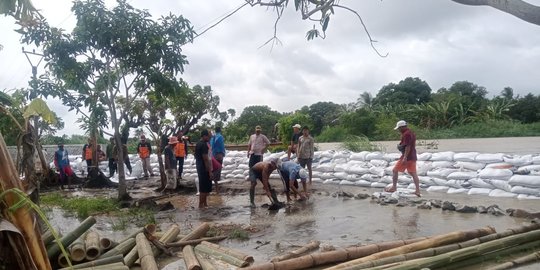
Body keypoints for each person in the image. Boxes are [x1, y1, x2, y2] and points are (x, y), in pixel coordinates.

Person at [385, 120, 421, 197]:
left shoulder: (406, 134)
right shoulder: (410, 132)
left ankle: (394, 187)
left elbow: (408, 146)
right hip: (412, 156)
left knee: (395, 170)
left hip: (407, 156)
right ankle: (417, 191)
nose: (398, 130)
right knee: (413, 173)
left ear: (402, 127)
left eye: (399, 128)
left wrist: (405, 157)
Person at [195, 129, 213, 208]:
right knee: (203, 188)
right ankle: (201, 205)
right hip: (204, 168)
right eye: (209, 137)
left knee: (205, 187)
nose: (209, 138)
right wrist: (209, 171)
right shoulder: (203, 145)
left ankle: (205, 204)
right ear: (205, 136)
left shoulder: (198, 144)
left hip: (200, 167)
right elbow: (205, 159)